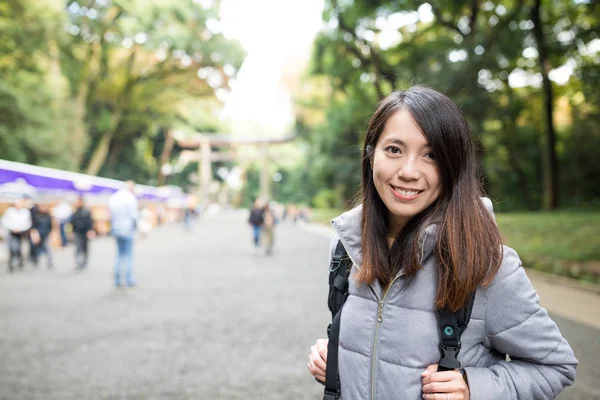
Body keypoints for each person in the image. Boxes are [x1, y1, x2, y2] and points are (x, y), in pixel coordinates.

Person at [307, 87, 577, 400]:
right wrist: (338, 360)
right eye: (394, 149)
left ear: (452, 167)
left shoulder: (486, 264)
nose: (408, 172)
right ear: (370, 155)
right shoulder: (345, 251)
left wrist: (473, 388)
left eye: (431, 155)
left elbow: (555, 366)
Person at [108, 181, 138, 287]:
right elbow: (134, 215)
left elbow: (110, 215)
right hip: (127, 229)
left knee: (119, 254)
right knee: (128, 255)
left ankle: (117, 279)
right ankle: (129, 279)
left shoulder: (114, 197)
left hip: (116, 228)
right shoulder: (131, 198)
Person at [1, 197, 32, 271]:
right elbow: (5, 221)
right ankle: (12, 261)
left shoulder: (25, 212)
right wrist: (12, 228)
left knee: (18, 247)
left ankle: (19, 261)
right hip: (11, 232)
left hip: (20, 232)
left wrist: (21, 229)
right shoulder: (10, 211)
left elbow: (27, 223)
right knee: (11, 247)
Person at [70, 196, 95, 270]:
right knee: (78, 248)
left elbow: (90, 222)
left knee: (85, 248)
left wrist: (90, 230)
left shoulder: (87, 211)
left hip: (85, 232)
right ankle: (78, 263)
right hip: (77, 232)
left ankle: (84, 262)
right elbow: (72, 222)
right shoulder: (75, 211)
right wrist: (71, 232)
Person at [31, 203, 53, 269]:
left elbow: (50, 226)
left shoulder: (48, 216)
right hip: (37, 235)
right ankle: (36, 260)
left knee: (46, 247)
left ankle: (50, 262)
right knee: (36, 248)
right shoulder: (36, 216)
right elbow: (33, 226)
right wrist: (35, 234)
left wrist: (49, 233)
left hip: (45, 234)